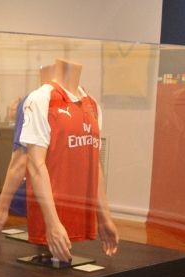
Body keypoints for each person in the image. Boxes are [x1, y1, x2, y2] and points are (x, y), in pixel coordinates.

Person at [20, 58, 118, 261]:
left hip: (78, 215)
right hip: (50, 220)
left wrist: (104, 217)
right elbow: (35, 164)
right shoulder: (41, 99)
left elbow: (94, 163)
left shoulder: (92, 105)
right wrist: (52, 223)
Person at [0, 64, 54, 234]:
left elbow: (21, 159)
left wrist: (2, 207)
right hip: (67, 201)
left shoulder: (34, 101)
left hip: (43, 199)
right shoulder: (83, 101)